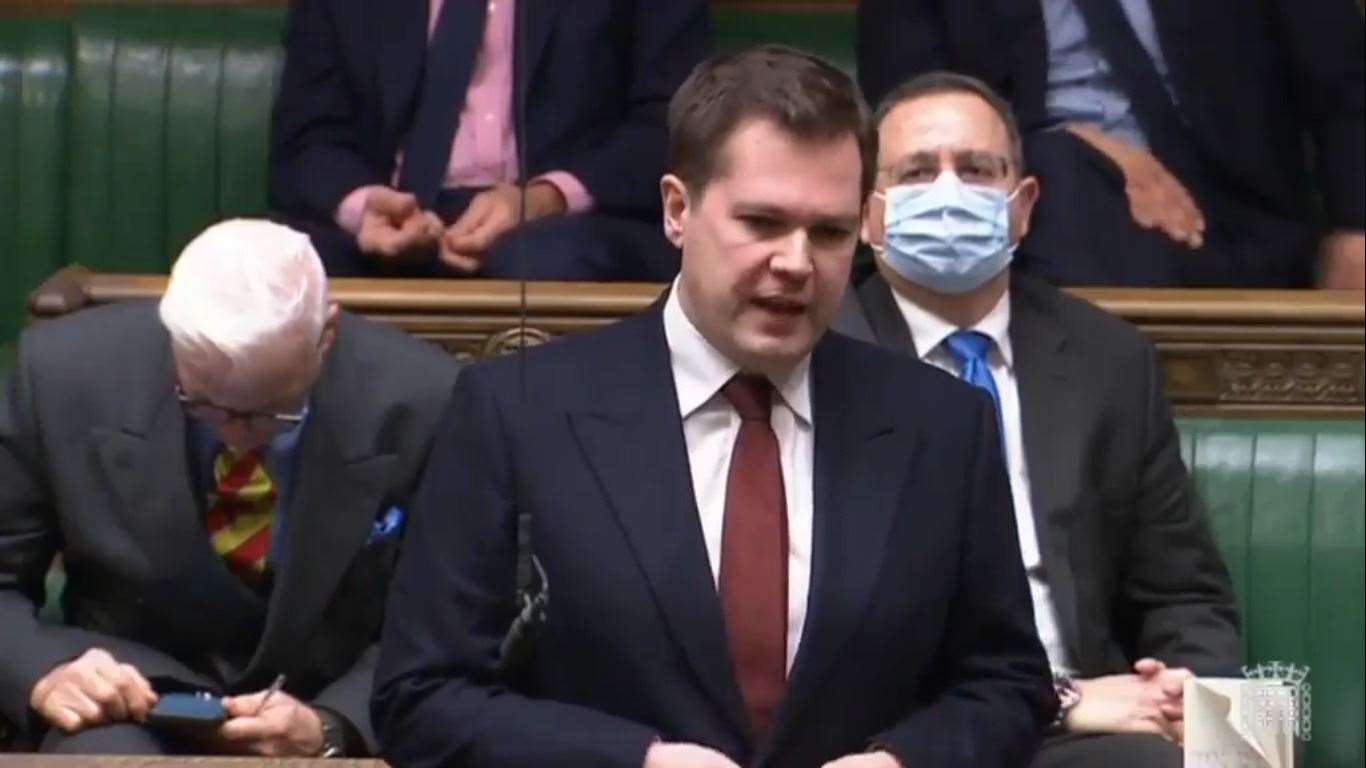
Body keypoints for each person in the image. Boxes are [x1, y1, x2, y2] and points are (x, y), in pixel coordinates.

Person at [372, 46, 1055, 768]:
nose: (796, 263)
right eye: (762, 223)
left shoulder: (943, 426)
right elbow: (420, 699)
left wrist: (902, 762)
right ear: (677, 209)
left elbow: (1006, 686)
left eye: (828, 233)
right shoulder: (517, 413)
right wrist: (635, 761)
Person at [831, 71, 1242, 768]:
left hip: (1093, 738)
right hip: (899, 734)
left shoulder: (1106, 359)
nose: (949, 192)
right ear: (867, 215)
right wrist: (1062, 697)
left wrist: (1185, 692)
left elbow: (1182, 592)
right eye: (917, 172)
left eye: (978, 170)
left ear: (1022, 207)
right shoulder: (822, 357)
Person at [0, 219, 461, 756]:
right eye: (204, 404)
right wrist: (44, 669)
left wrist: (336, 724)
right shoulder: (63, 375)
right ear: (173, 339)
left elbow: (445, 615)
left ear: (325, 335)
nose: (237, 433)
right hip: (124, 704)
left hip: (328, 709)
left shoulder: (424, 399)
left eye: (272, 410)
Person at [856, 0, 1365, 288]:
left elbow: (1343, 81)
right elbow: (911, 104)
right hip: (1018, 209)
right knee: (1059, 175)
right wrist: (1081, 146)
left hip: (1231, 214)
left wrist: (1355, 228)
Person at [268, 0, 709, 281]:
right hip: (391, 220)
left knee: (543, 263)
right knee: (271, 269)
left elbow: (668, 127)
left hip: (562, 224)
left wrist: (544, 199)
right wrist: (364, 207)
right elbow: (307, 139)